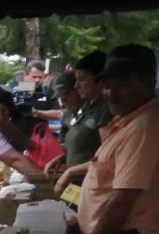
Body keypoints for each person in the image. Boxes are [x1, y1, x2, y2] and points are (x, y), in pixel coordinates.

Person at [48, 44, 159, 234]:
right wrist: (83, 225)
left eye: (124, 85)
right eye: (108, 86)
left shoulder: (145, 125)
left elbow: (123, 197)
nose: (112, 94)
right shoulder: (128, 121)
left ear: (150, 83)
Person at [46, 52, 112, 182]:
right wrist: (63, 157)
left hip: (94, 183)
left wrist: (71, 172)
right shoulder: (84, 107)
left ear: (101, 80)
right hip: (76, 185)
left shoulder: (107, 110)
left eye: (81, 80)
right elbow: (83, 147)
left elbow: (107, 158)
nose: (77, 86)